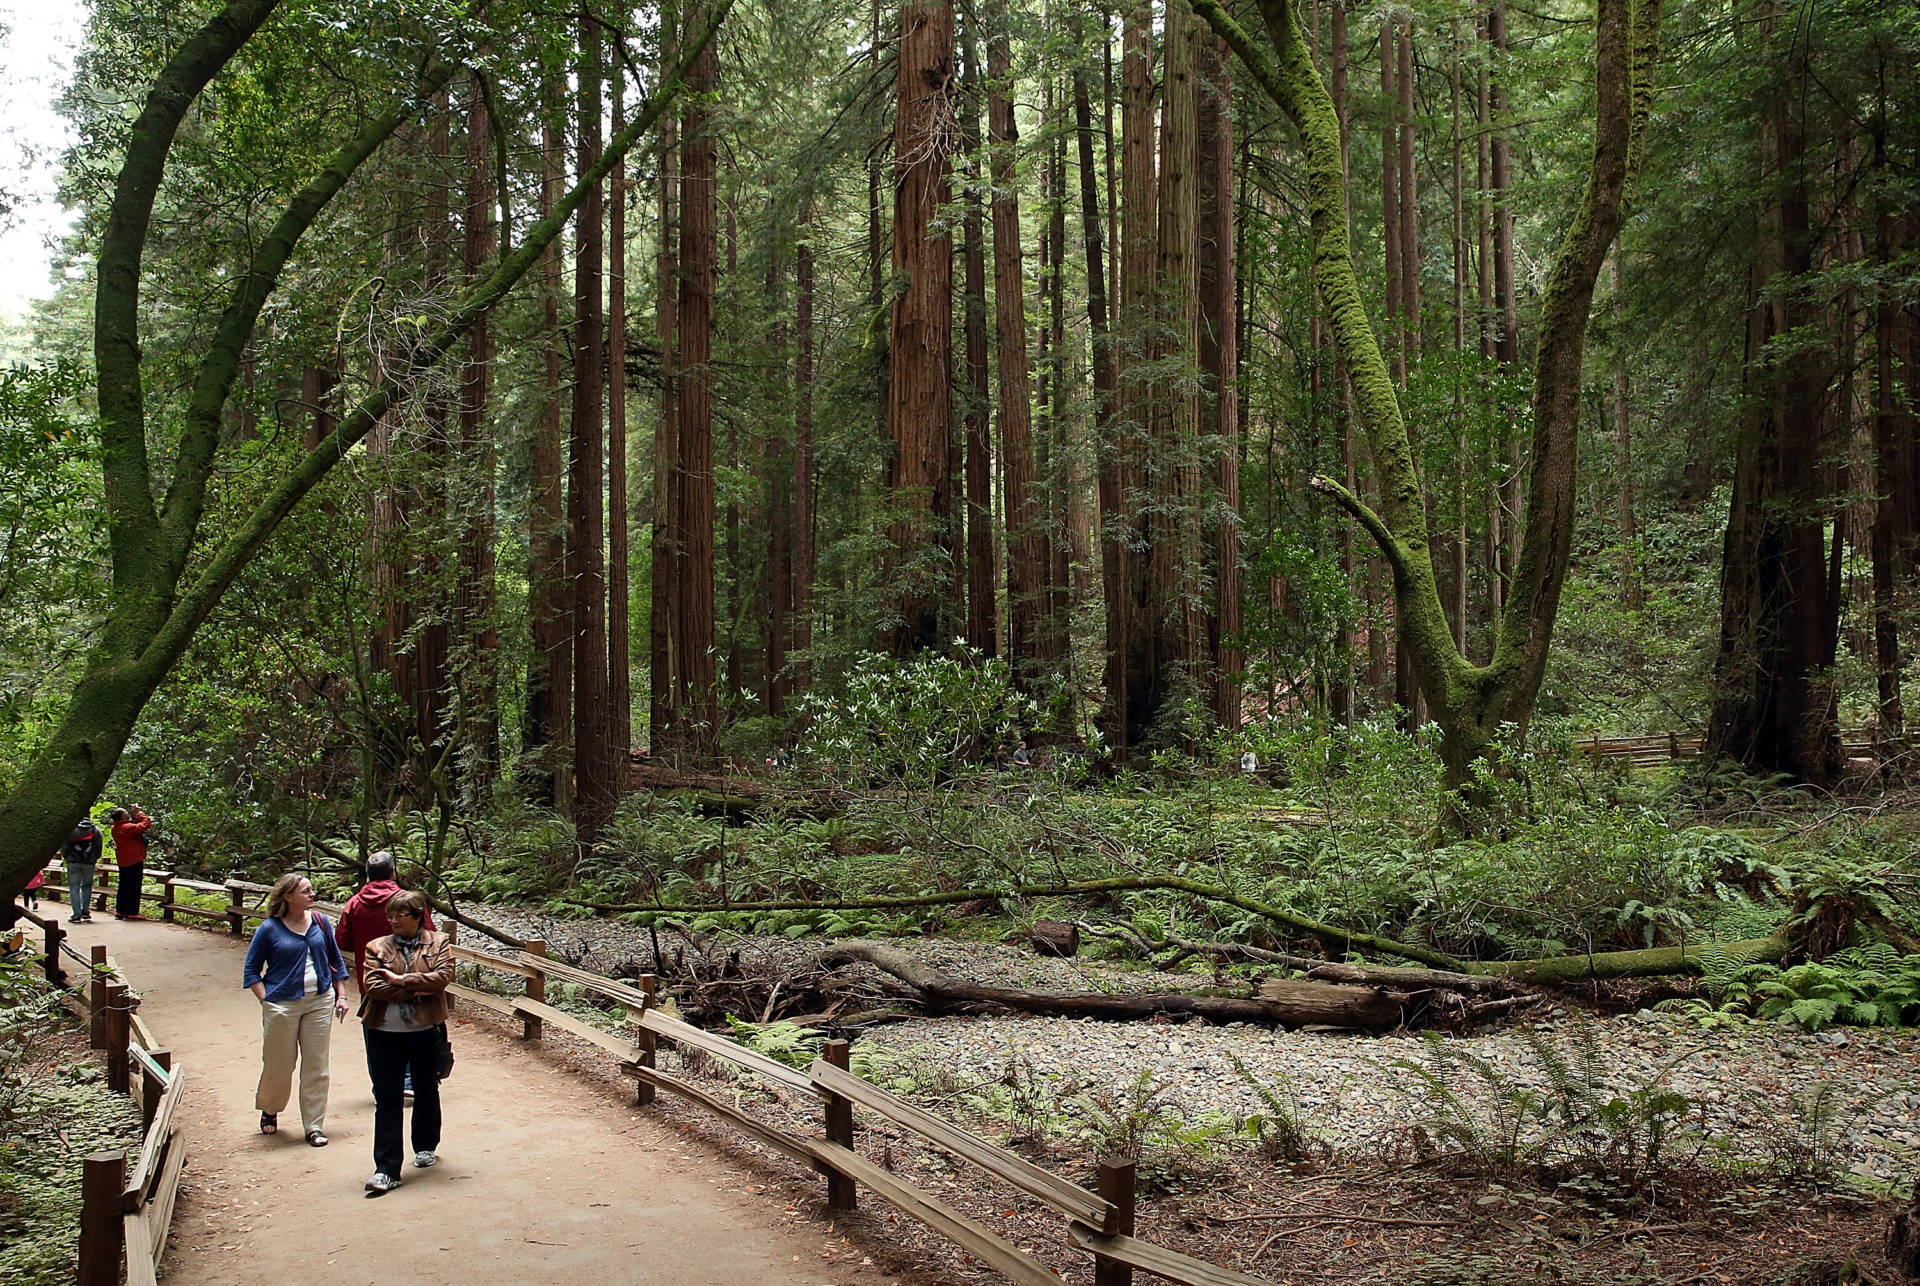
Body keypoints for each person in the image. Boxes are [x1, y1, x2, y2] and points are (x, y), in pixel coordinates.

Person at [243, 873, 349, 1147]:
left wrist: (341, 995)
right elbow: (252, 971)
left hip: (320, 1000)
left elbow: (336, 961)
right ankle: (271, 1107)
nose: (312, 894)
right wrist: (266, 1000)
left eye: (312, 889)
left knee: (317, 1065)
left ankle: (314, 1125)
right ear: (287, 896)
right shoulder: (269, 929)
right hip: (282, 1004)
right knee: (279, 1064)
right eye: (305, 891)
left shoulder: (321, 922)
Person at [358, 890, 452, 1196]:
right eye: (391, 916)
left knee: (426, 1087)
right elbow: (372, 985)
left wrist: (400, 981)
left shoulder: (438, 943)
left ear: (417, 916)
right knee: (388, 1097)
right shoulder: (377, 947)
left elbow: (443, 977)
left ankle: (426, 1144)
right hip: (384, 1030)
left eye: (401, 915)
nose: (394, 921)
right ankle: (386, 1168)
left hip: (425, 1029)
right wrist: (417, 987)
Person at [335, 851, 434, 1096]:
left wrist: (364, 948)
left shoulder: (355, 903)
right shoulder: (408, 902)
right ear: (392, 872)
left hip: (372, 978)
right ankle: (409, 1082)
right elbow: (429, 934)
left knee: (375, 1026)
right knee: (413, 1023)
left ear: (368, 874)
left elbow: (342, 940)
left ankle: (383, 1084)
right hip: (408, 973)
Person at [108, 806, 154, 920]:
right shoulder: (127, 828)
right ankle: (132, 913)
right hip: (134, 859)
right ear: (122, 816)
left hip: (123, 860)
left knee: (123, 885)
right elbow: (145, 824)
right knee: (134, 886)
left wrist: (135, 815)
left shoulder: (116, 827)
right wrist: (139, 813)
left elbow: (134, 825)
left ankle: (121, 911)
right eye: (125, 813)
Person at [63, 819, 103, 923]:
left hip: (73, 862)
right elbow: (98, 846)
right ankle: (85, 911)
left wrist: (67, 856)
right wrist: (94, 857)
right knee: (87, 886)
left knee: (74, 887)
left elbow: (64, 844)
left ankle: (76, 914)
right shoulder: (95, 830)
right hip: (89, 863)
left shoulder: (71, 829)